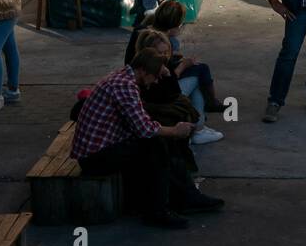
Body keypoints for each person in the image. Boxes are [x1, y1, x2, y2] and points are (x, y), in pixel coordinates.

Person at [71, 47, 224, 229]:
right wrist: (175, 130)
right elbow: (144, 129)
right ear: (143, 71)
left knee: (159, 140)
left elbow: (140, 123)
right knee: (155, 144)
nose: (156, 80)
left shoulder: (124, 77)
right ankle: (158, 211)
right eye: (156, 76)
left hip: (104, 146)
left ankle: (186, 197)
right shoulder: (124, 85)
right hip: (94, 157)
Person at [133, 22, 224, 146]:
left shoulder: (154, 63)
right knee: (196, 78)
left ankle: (199, 126)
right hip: (159, 106)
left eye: (166, 53)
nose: (164, 57)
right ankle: (199, 128)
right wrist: (178, 69)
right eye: (160, 53)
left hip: (161, 101)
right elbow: (172, 93)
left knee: (198, 72)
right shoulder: (150, 70)